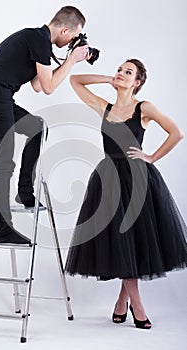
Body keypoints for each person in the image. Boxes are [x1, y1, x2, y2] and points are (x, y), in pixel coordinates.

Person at [65, 58, 187, 329]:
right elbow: (75, 80)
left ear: (138, 82)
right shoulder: (103, 107)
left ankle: (134, 305)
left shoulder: (143, 108)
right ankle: (127, 302)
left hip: (137, 180)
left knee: (129, 240)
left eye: (128, 72)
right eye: (120, 69)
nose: (121, 73)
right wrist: (108, 80)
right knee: (123, 241)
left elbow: (177, 133)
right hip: (108, 180)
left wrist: (152, 157)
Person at [0, 6, 89, 244]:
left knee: (37, 127)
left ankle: (25, 192)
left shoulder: (39, 41)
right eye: (74, 36)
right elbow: (48, 88)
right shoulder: (38, 38)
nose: (73, 41)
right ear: (65, 29)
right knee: (2, 165)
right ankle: (4, 231)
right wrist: (71, 60)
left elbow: (38, 84)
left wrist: (69, 61)